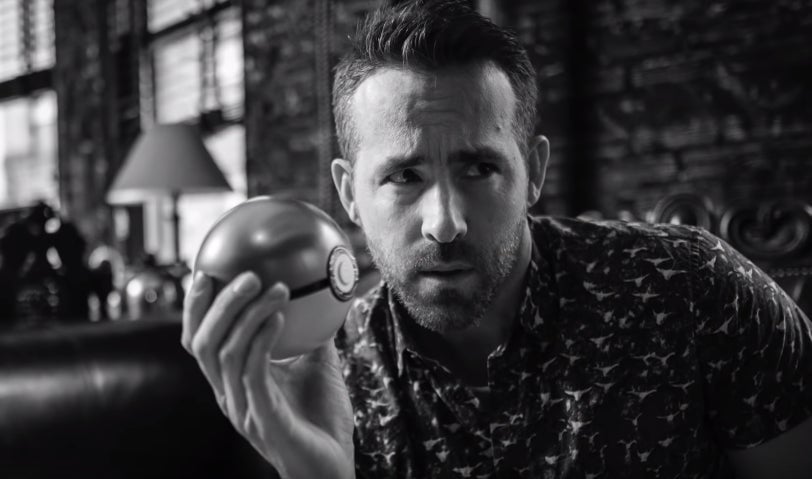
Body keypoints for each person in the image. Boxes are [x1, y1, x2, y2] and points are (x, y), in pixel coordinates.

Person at [180, 1, 812, 477]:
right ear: (349, 194)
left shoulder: (690, 289)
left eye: (479, 168)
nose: (444, 223)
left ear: (532, 172)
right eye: (403, 176)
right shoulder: (332, 377)